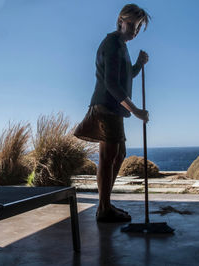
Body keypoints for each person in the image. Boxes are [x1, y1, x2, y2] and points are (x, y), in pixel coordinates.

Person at [74, 4, 151, 223]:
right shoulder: (112, 43)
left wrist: (138, 64)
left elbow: (124, 76)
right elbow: (111, 84)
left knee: (118, 155)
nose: (135, 32)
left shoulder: (121, 46)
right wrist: (135, 110)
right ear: (121, 21)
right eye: (133, 26)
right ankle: (104, 208)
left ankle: (105, 204)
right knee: (108, 158)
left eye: (138, 29)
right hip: (106, 106)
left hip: (114, 108)